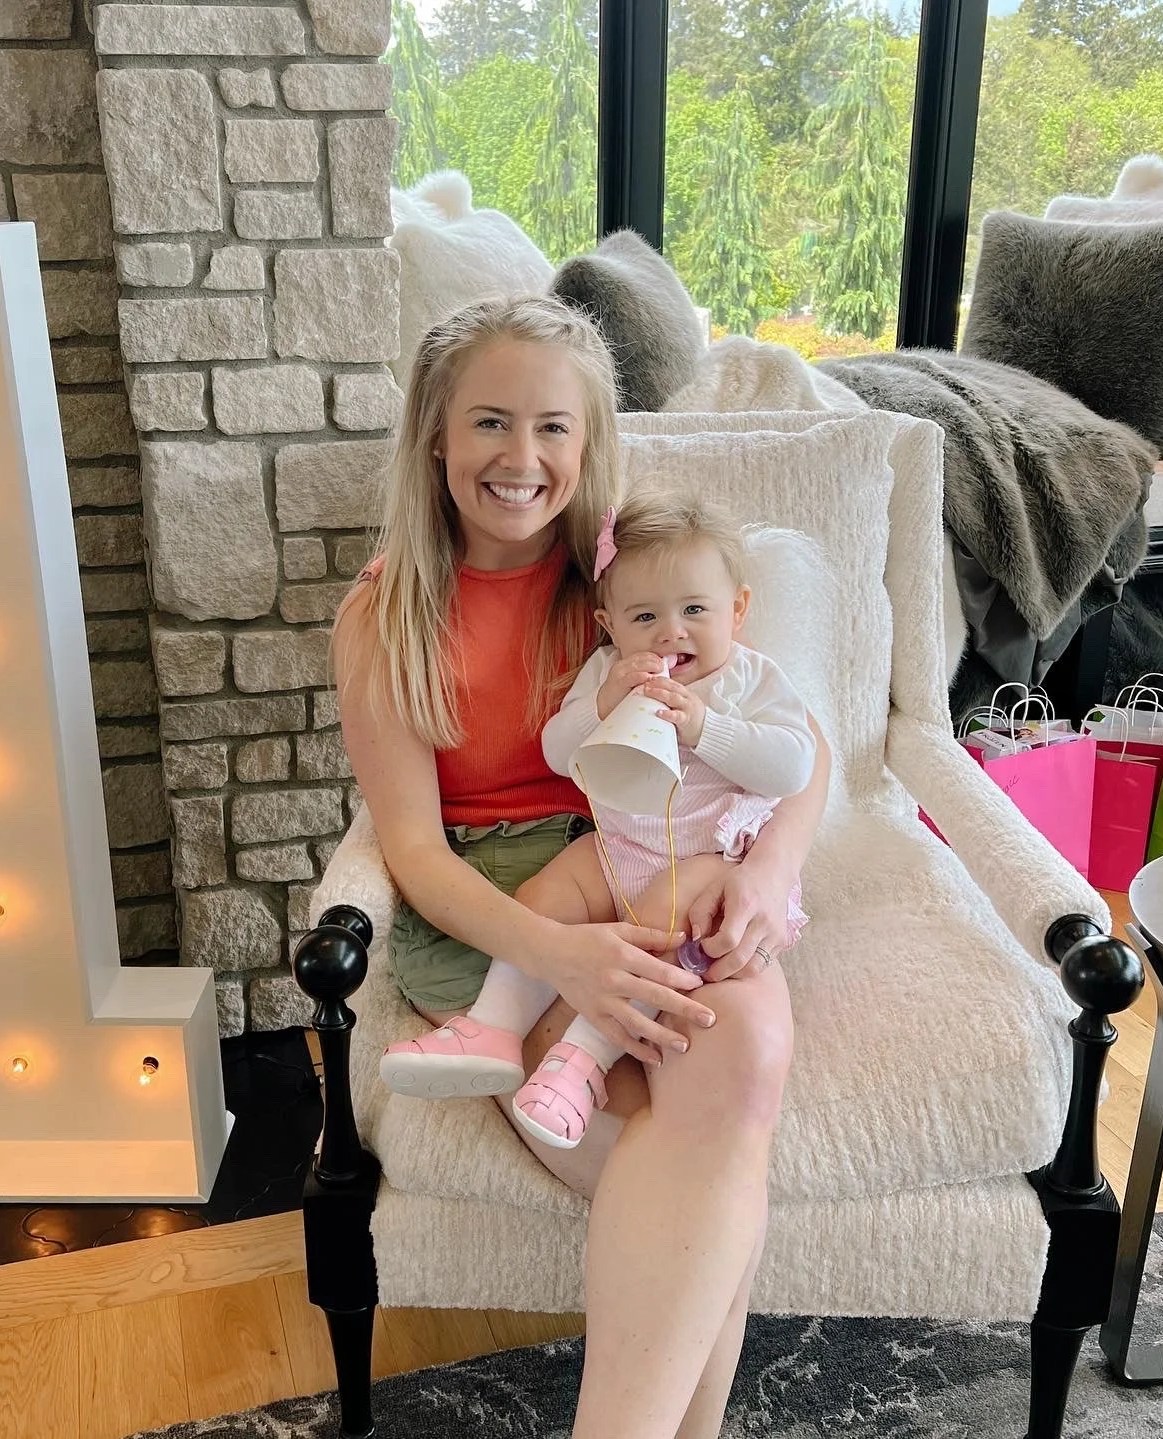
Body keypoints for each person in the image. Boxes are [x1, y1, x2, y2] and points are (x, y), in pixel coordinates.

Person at [333, 294, 830, 1439]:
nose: (523, 457)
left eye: (555, 426)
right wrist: (562, 953)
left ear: (590, 440)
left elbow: (790, 739)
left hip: (665, 868)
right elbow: (409, 848)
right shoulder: (384, 616)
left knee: (738, 1051)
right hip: (499, 910)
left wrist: (766, 872)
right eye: (492, 423)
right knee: (698, 1152)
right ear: (436, 437)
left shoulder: (632, 579)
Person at [380, 492, 816, 1151]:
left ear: (738, 609)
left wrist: (706, 729)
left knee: (652, 928)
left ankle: (581, 1060)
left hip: (712, 864)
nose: (672, 632)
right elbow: (560, 751)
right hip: (619, 847)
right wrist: (604, 704)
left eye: (695, 610)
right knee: (543, 899)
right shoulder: (608, 673)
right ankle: (492, 1027)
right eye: (646, 616)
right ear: (608, 623)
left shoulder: (750, 680)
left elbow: (793, 766)